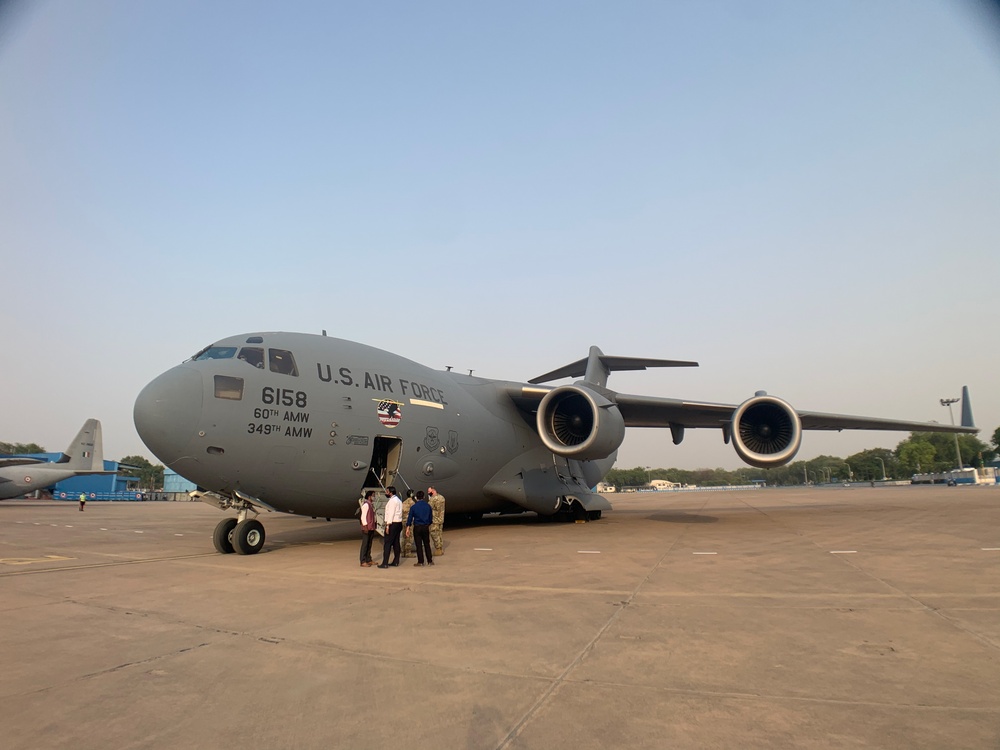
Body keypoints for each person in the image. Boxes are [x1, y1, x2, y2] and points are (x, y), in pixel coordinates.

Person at [405, 490, 434, 566]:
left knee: (419, 545)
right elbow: (431, 518)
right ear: (424, 497)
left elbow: (410, 518)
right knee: (427, 544)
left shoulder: (413, 507)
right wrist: (428, 524)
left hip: (417, 527)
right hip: (425, 527)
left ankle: (420, 561)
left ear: (416, 498)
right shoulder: (428, 506)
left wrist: (408, 527)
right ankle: (430, 560)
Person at [377, 486, 403, 568]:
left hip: (392, 524)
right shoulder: (398, 500)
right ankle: (396, 561)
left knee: (387, 543)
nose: (386, 493)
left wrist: (387, 525)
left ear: (391, 492)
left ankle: (385, 563)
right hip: (398, 523)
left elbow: (391, 514)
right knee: (396, 543)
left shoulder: (392, 501)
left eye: (387, 491)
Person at [359, 491, 376, 567]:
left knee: (369, 544)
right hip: (367, 527)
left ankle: (368, 559)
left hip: (371, 527)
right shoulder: (366, 505)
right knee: (365, 544)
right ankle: (362, 561)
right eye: (373, 495)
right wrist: (365, 526)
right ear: (369, 496)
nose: (374, 497)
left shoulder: (371, 505)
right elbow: (363, 517)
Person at [428, 486, 445, 555]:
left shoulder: (433, 499)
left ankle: (438, 549)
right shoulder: (442, 497)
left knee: (434, 534)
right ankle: (440, 548)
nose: (428, 493)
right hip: (440, 519)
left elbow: (428, 508)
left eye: (429, 492)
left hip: (434, 520)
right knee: (440, 534)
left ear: (433, 491)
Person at [400, 490, 416, 558]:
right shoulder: (412, 503)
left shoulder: (403, 502)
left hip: (403, 521)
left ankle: (403, 552)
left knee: (403, 536)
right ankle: (408, 552)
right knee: (409, 537)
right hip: (409, 522)